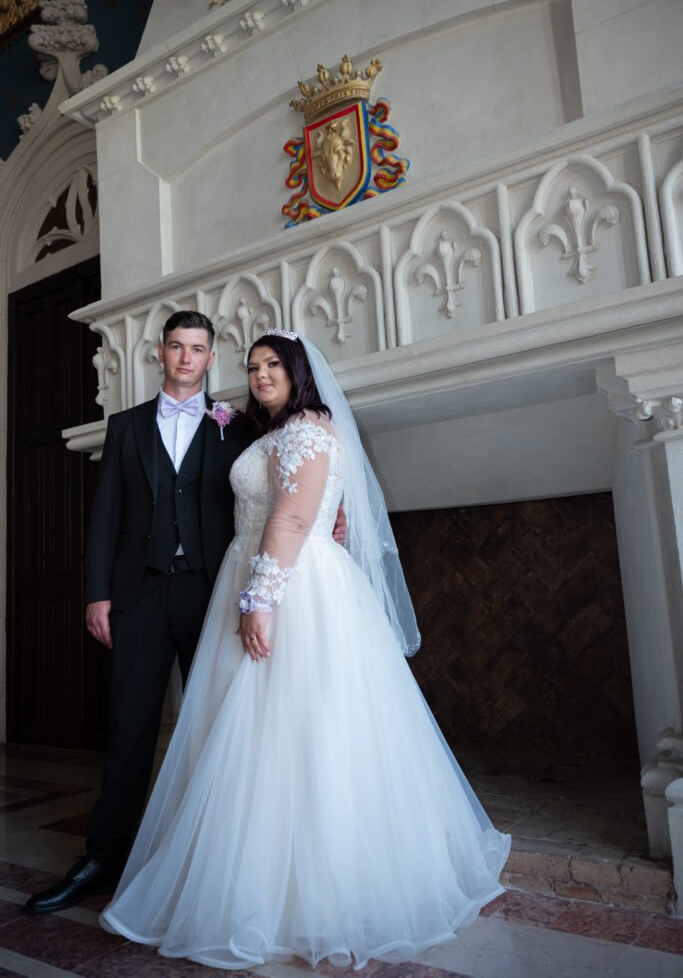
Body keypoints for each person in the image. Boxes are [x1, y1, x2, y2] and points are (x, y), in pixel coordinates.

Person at [100, 328, 511, 970]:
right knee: (258, 731)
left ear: (299, 371)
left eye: (274, 364)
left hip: (290, 588)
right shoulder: (273, 431)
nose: (261, 374)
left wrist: (259, 600)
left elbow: (292, 518)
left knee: (300, 726)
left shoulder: (306, 431)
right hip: (259, 571)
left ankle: (305, 895)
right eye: (253, 366)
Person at [24, 311, 254, 914]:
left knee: (216, 725)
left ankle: (213, 858)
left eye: (197, 348)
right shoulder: (125, 426)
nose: (186, 357)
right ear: (160, 353)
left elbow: (272, 488)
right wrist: (96, 593)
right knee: (129, 726)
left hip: (210, 592)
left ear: (211, 358)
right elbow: (104, 516)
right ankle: (104, 856)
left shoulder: (234, 425)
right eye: (176, 346)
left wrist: (332, 511)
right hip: (140, 594)